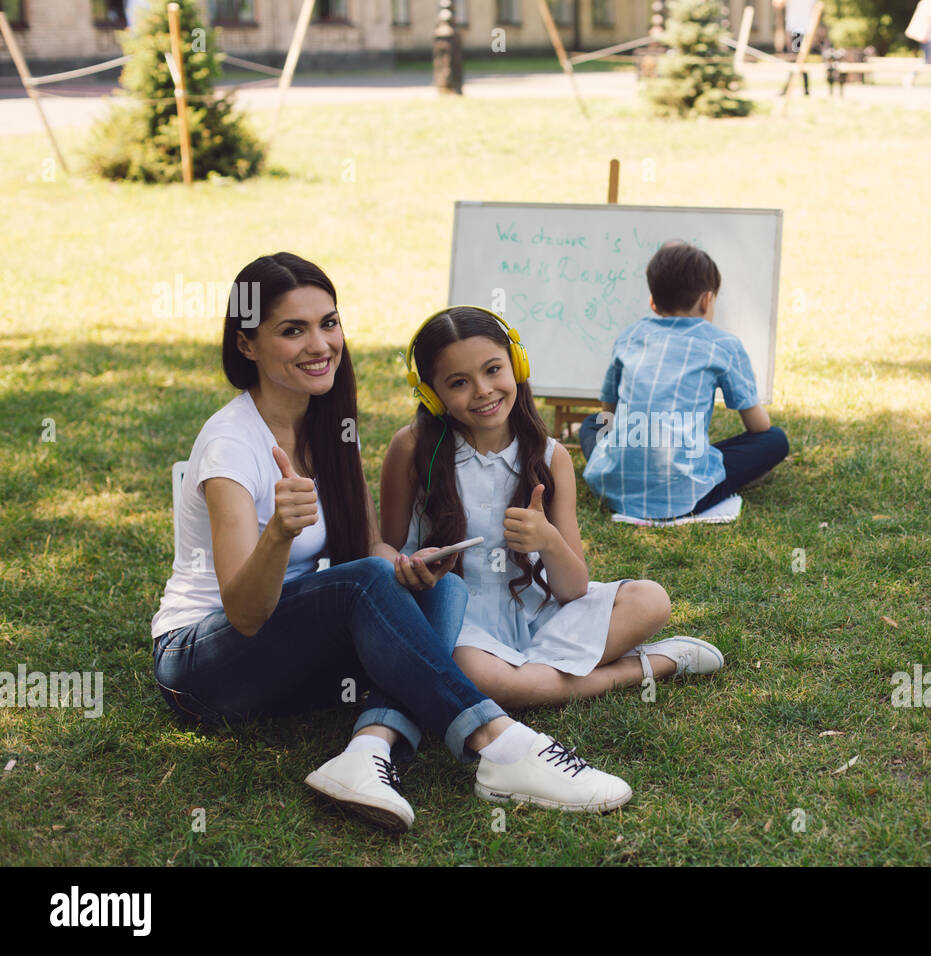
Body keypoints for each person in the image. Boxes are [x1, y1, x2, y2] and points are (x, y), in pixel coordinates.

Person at [151, 253, 633, 832]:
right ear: (247, 345)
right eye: (292, 330)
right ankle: (503, 747)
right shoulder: (231, 445)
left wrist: (407, 565)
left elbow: (367, 549)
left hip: (293, 655)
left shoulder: (332, 427)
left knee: (442, 593)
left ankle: (368, 753)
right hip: (204, 668)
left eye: (328, 323)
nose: (319, 344)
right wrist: (279, 533)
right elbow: (245, 613)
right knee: (368, 583)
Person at [381, 306, 724, 711]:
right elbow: (384, 547)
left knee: (651, 600)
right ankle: (637, 668)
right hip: (460, 628)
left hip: (542, 616)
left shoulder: (551, 456)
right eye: (459, 382)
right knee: (476, 677)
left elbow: (574, 587)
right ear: (431, 395)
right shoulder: (411, 447)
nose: (483, 390)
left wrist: (547, 539)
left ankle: (531, 677)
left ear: (517, 365)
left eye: (493, 370)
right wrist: (403, 566)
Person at [580, 241, 789, 521]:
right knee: (774, 440)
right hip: (686, 494)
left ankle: (627, 471)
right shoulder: (723, 345)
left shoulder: (630, 336)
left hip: (613, 487)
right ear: (706, 300)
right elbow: (758, 426)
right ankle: (697, 483)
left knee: (590, 424)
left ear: (653, 302)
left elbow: (608, 413)